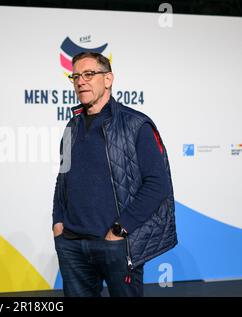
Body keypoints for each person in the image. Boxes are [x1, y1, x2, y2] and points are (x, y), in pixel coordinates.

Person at [52, 52, 177, 297]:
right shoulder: (71, 127)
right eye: (75, 76)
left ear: (108, 79)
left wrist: (120, 231)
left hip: (117, 245)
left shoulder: (136, 124)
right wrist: (58, 223)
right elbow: (62, 178)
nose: (81, 81)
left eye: (89, 74)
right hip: (72, 245)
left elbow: (157, 184)